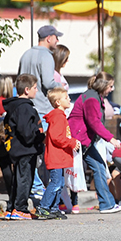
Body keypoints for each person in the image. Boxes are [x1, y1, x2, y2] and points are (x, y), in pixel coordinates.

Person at [18, 25, 64, 199]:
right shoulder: (47, 55)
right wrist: (61, 88)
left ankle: (35, 185)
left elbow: (20, 80)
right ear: (49, 38)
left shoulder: (26, 54)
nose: (57, 41)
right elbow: (48, 82)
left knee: (30, 150)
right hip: (43, 109)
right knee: (44, 152)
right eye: (56, 37)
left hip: (26, 108)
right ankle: (38, 186)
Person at [67, 72, 121, 214]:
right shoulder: (91, 98)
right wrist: (111, 139)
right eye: (110, 86)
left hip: (83, 139)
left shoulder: (93, 96)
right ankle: (106, 204)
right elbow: (94, 123)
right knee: (94, 168)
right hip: (79, 140)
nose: (112, 89)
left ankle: (107, 204)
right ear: (103, 85)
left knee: (99, 167)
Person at [2, 74, 45, 220]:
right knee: (25, 179)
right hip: (26, 148)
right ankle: (20, 208)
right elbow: (26, 131)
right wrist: (40, 137)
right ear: (26, 90)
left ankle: (12, 207)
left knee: (18, 178)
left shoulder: (13, 106)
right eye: (34, 88)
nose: (37, 90)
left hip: (16, 147)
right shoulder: (25, 108)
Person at [39, 87, 79, 220]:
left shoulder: (60, 116)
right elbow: (57, 137)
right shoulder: (57, 116)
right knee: (56, 183)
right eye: (66, 97)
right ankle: (44, 207)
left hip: (59, 156)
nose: (69, 99)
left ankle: (54, 208)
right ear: (57, 102)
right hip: (56, 156)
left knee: (60, 184)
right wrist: (72, 142)